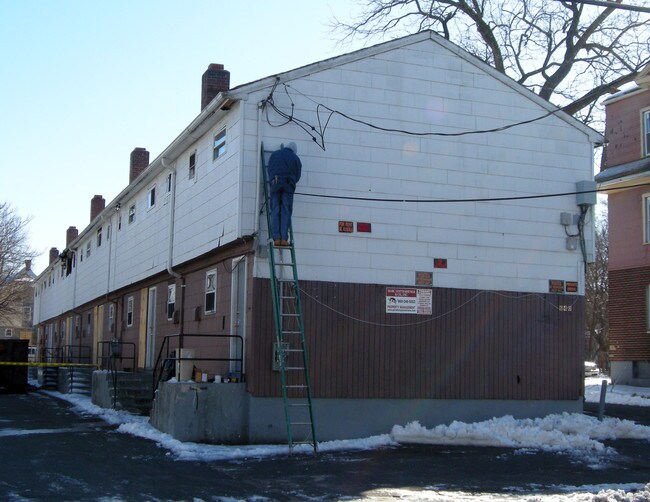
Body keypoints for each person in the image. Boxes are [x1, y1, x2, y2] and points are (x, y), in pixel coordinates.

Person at [267, 142, 302, 246]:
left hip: (275, 184)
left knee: (275, 210)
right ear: (294, 150)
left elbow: (269, 170)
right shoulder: (295, 158)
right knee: (286, 211)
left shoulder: (274, 155)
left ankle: (276, 238)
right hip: (288, 185)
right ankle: (283, 239)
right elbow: (298, 175)